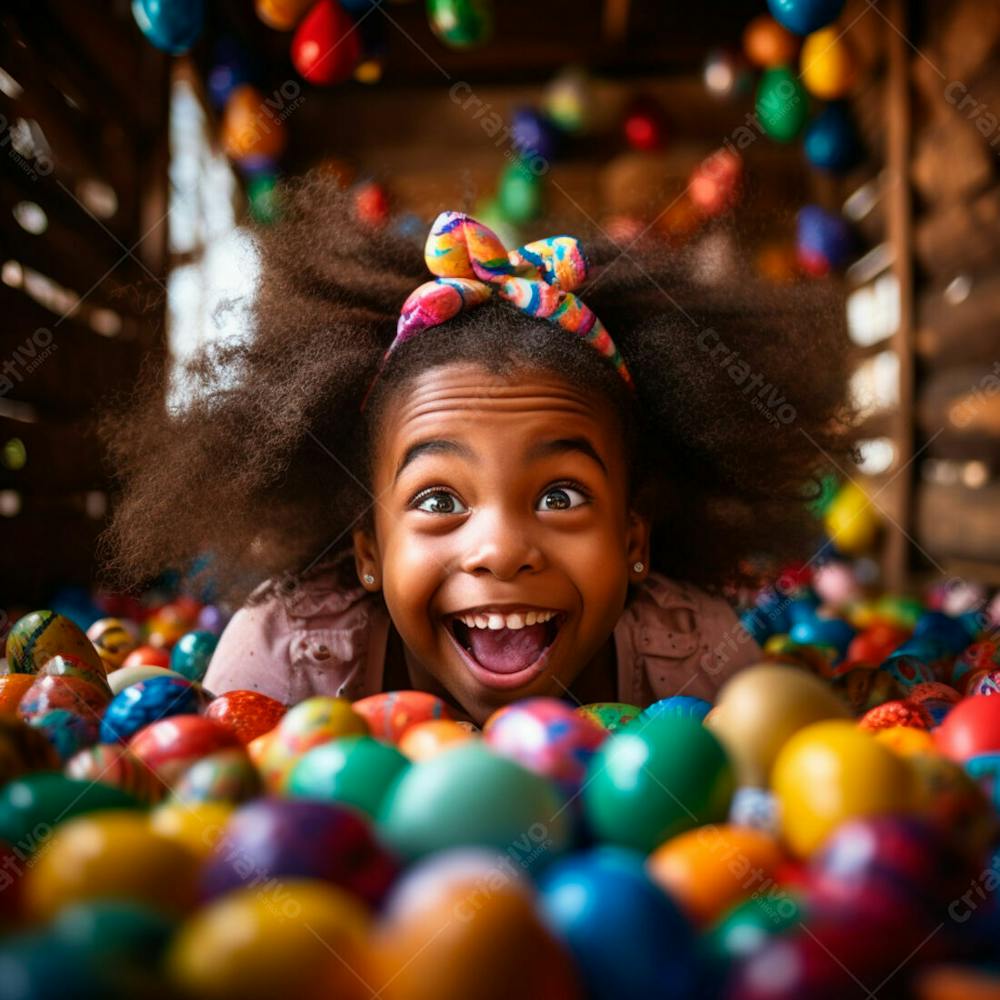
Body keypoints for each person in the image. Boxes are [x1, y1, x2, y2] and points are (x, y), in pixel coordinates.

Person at [104, 173, 851, 724]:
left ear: (633, 542)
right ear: (369, 552)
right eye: (437, 499)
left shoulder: (699, 669)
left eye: (561, 495)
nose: (499, 550)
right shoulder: (282, 667)